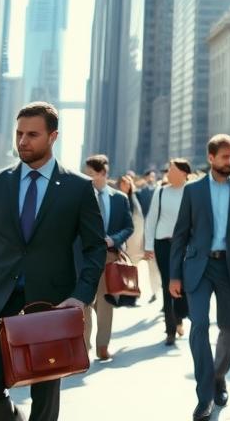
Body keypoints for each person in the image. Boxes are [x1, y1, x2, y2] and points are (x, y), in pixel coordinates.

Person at [0, 102, 107, 421]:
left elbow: (95, 248)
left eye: (32, 134)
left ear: (53, 136)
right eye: (19, 133)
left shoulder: (78, 188)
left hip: (50, 306)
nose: (23, 141)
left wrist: (81, 296)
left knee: (44, 401)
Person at [169, 135, 230, 421]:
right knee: (198, 328)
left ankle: (218, 375)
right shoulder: (193, 190)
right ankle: (204, 396)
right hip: (198, 267)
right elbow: (181, 233)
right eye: (225, 157)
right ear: (211, 158)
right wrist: (174, 275)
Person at [80, 154, 133, 361]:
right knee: (84, 302)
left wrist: (114, 239)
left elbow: (128, 227)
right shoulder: (80, 196)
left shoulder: (119, 198)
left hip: (109, 257)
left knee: (105, 303)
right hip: (84, 257)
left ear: (102, 173)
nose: (87, 179)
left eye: (91, 175)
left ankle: (103, 345)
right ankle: (84, 346)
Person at [143, 158, 191, 346]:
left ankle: (179, 317)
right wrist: (148, 246)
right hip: (163, 244)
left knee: (183, 282)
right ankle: (170, 329)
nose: (168, 173)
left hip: (186, 245)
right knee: (167, 284)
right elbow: (151, 220)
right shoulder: (161, 192)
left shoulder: (192, 191)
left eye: (171, 169)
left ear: (183, 173)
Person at [117, 173, 146, 263]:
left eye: (128, 183)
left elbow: (139, 216)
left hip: (134, 233)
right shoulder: (116, 197)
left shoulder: (135, 197)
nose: (126, 185)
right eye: (123, 183)